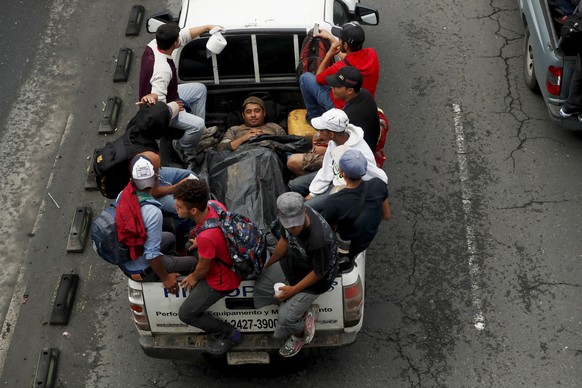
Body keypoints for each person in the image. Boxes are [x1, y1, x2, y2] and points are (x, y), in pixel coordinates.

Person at [253, 192, 339, 358]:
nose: (294, 229)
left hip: (315, 280)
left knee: (286, 320)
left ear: (304, 212)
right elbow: (284, 242)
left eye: (297, 224)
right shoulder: (287, 225)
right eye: (289, 225)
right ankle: (299, 309)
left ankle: (301, 334)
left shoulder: (319, 240)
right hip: (294, 265)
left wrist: (293, 290)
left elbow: (319, 272)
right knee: (261, 286)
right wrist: (267, 266)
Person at [173, 179, 243, 355]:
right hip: (226, 257)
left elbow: (203, 269)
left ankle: (228, 334)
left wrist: (193, 277)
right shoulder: (214, 205)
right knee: (191, 247)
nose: (176, 208)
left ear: (193, 210)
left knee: (186, 314)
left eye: (179, 207)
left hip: (222, 280)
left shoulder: (207, 237)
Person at [116, 155, 197, 294]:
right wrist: (166, 279)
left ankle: (170, 266)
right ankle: (163, 274)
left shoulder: (123, 195)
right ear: (155, 179)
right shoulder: (152, 212)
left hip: (128, 253)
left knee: (170, 238)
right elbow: (151, 254)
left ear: (131, 181)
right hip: (142, 265)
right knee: (194, 262)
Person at [139, 23, 219, 162]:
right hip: (159, 111)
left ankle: (199, 136)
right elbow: (159, 110)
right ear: (175, 43)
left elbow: (185, 35)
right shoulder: (163, 70)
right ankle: (184, 147)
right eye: (178, 38)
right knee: (198, 125)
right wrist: (175, 107)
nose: (180, 38)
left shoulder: (154, 44)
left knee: (199, 90)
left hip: (170, 94)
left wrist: (207, 27)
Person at [288, 108, 387, 212]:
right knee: (296, 185)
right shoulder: (334, 142)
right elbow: (327, 168)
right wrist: (313, 193)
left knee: (306, 209)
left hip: (341, 187)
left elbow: (381, 178)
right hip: (334, 177)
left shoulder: (359, 154)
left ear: (331, 134)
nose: (319, 134)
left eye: (321, 130)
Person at [299, 21, 380, 121]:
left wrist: (329, 54)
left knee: (305, 78)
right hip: (362, 105)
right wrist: (331, 38)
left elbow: (318, 78)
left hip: (341, 109)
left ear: (345, 45)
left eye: (339, 39)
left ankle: (315, 118)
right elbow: (349, 58)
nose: (338, 40)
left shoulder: (340, 68)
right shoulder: (372, 54)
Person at [321, 149, 390, 260]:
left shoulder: (334, 201)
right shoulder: (378, 184)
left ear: (342, 173)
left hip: (347, 247)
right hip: (365, 241)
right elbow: (386, 215)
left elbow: (324, 230)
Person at [326, 66, 380, 152]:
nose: (332, 88)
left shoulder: (346, 118)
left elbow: (339, 146)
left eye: (337, 86)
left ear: (350, 90)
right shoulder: (364, 93)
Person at [217, 96, 287, 151]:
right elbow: (221, 148)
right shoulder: (234, 130)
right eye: (248, 112)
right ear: (243, 115)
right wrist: (245, 137)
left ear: (264, 113)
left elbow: (288, 146)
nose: (253, 115)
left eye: (257, 111)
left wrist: (265, 140)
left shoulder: (275, 127)